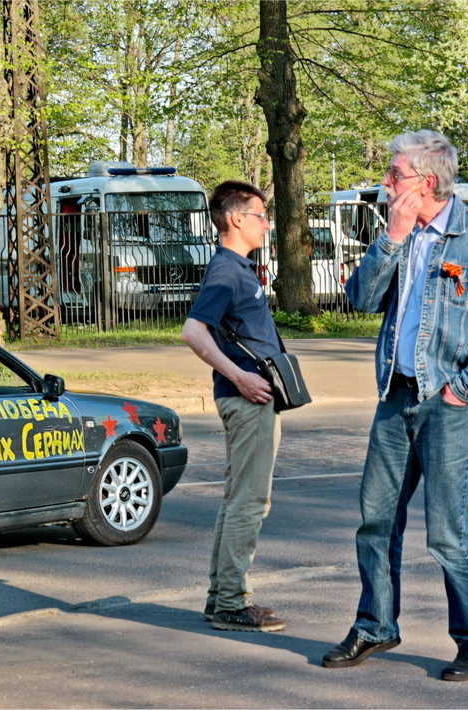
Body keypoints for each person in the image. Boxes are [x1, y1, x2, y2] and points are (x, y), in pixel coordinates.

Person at [323, 130, 468, 681]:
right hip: (396, 398)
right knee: (376, 520)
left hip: (450, 404)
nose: (386, 184)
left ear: (427, 182)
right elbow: (361, 300)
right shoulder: (400, 234)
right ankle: (375, 626)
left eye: (395, 176)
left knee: (446, 530)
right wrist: (391, 237)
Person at [180, 180, 285, 633]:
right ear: (237, 218)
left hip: (248, 399)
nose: (267, 224)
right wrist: (239, 376)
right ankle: (230, 603)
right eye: (261, 216)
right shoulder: (226, 271)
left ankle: (221, 598)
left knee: (237, 500)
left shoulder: (237, 268)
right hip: (246, 401)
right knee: (249, 502)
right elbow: (193, 332)